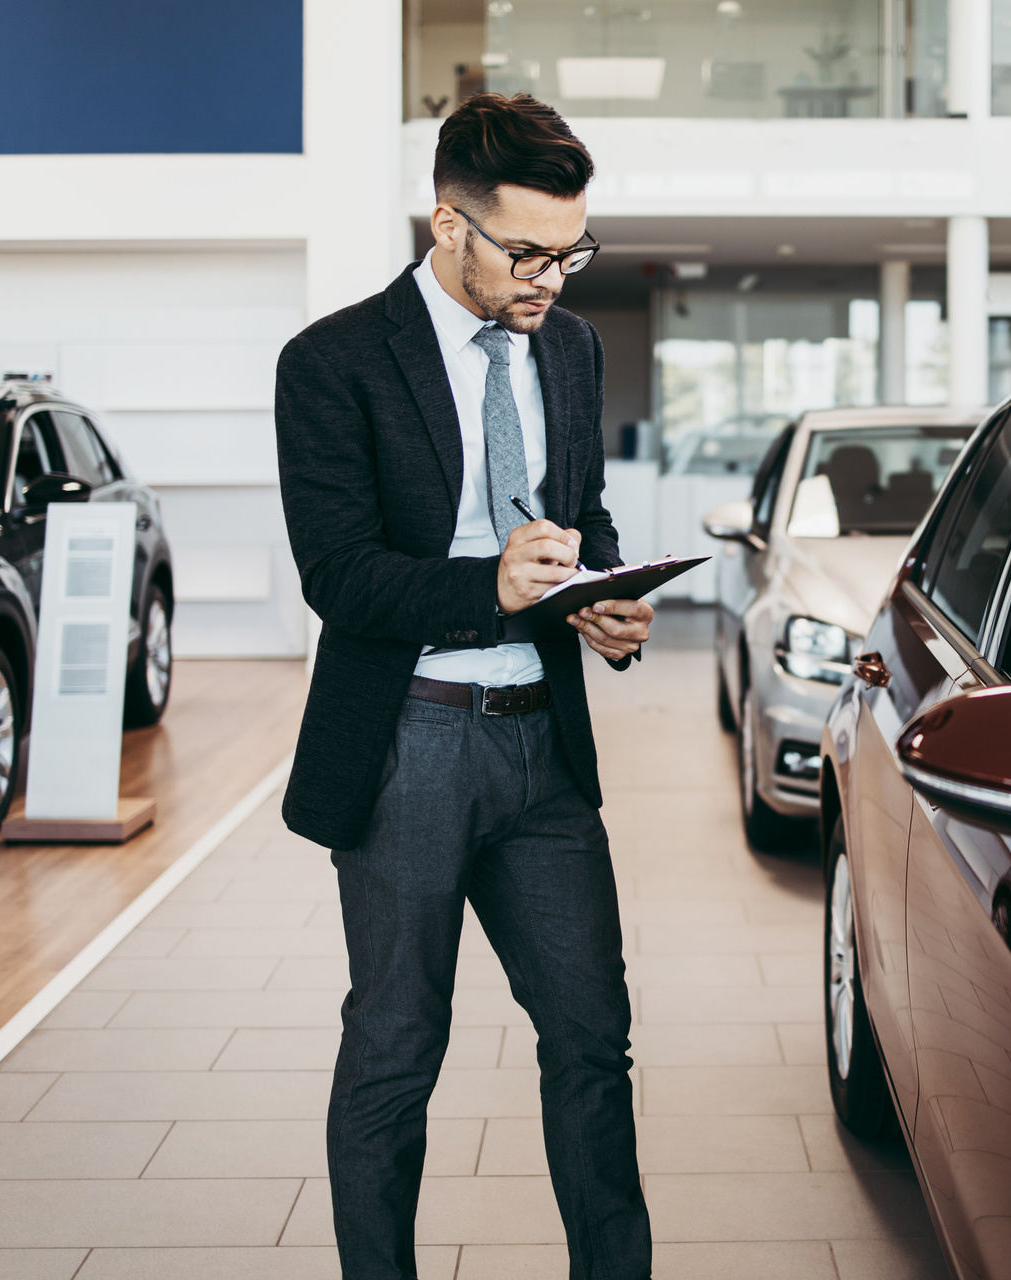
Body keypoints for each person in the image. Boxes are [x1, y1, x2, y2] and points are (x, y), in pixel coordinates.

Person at [272, 93, 653, 1280]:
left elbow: (577, 515)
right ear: (448, 224)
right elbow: (339, 576)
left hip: (543, 747)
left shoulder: (573, 349)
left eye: (570, 250)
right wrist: (490, 584)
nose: (551, 277)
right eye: (527, 251)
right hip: (407, 746)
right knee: (395, 1044)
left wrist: (602, 592)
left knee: (593, 1037)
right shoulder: (333, 361)